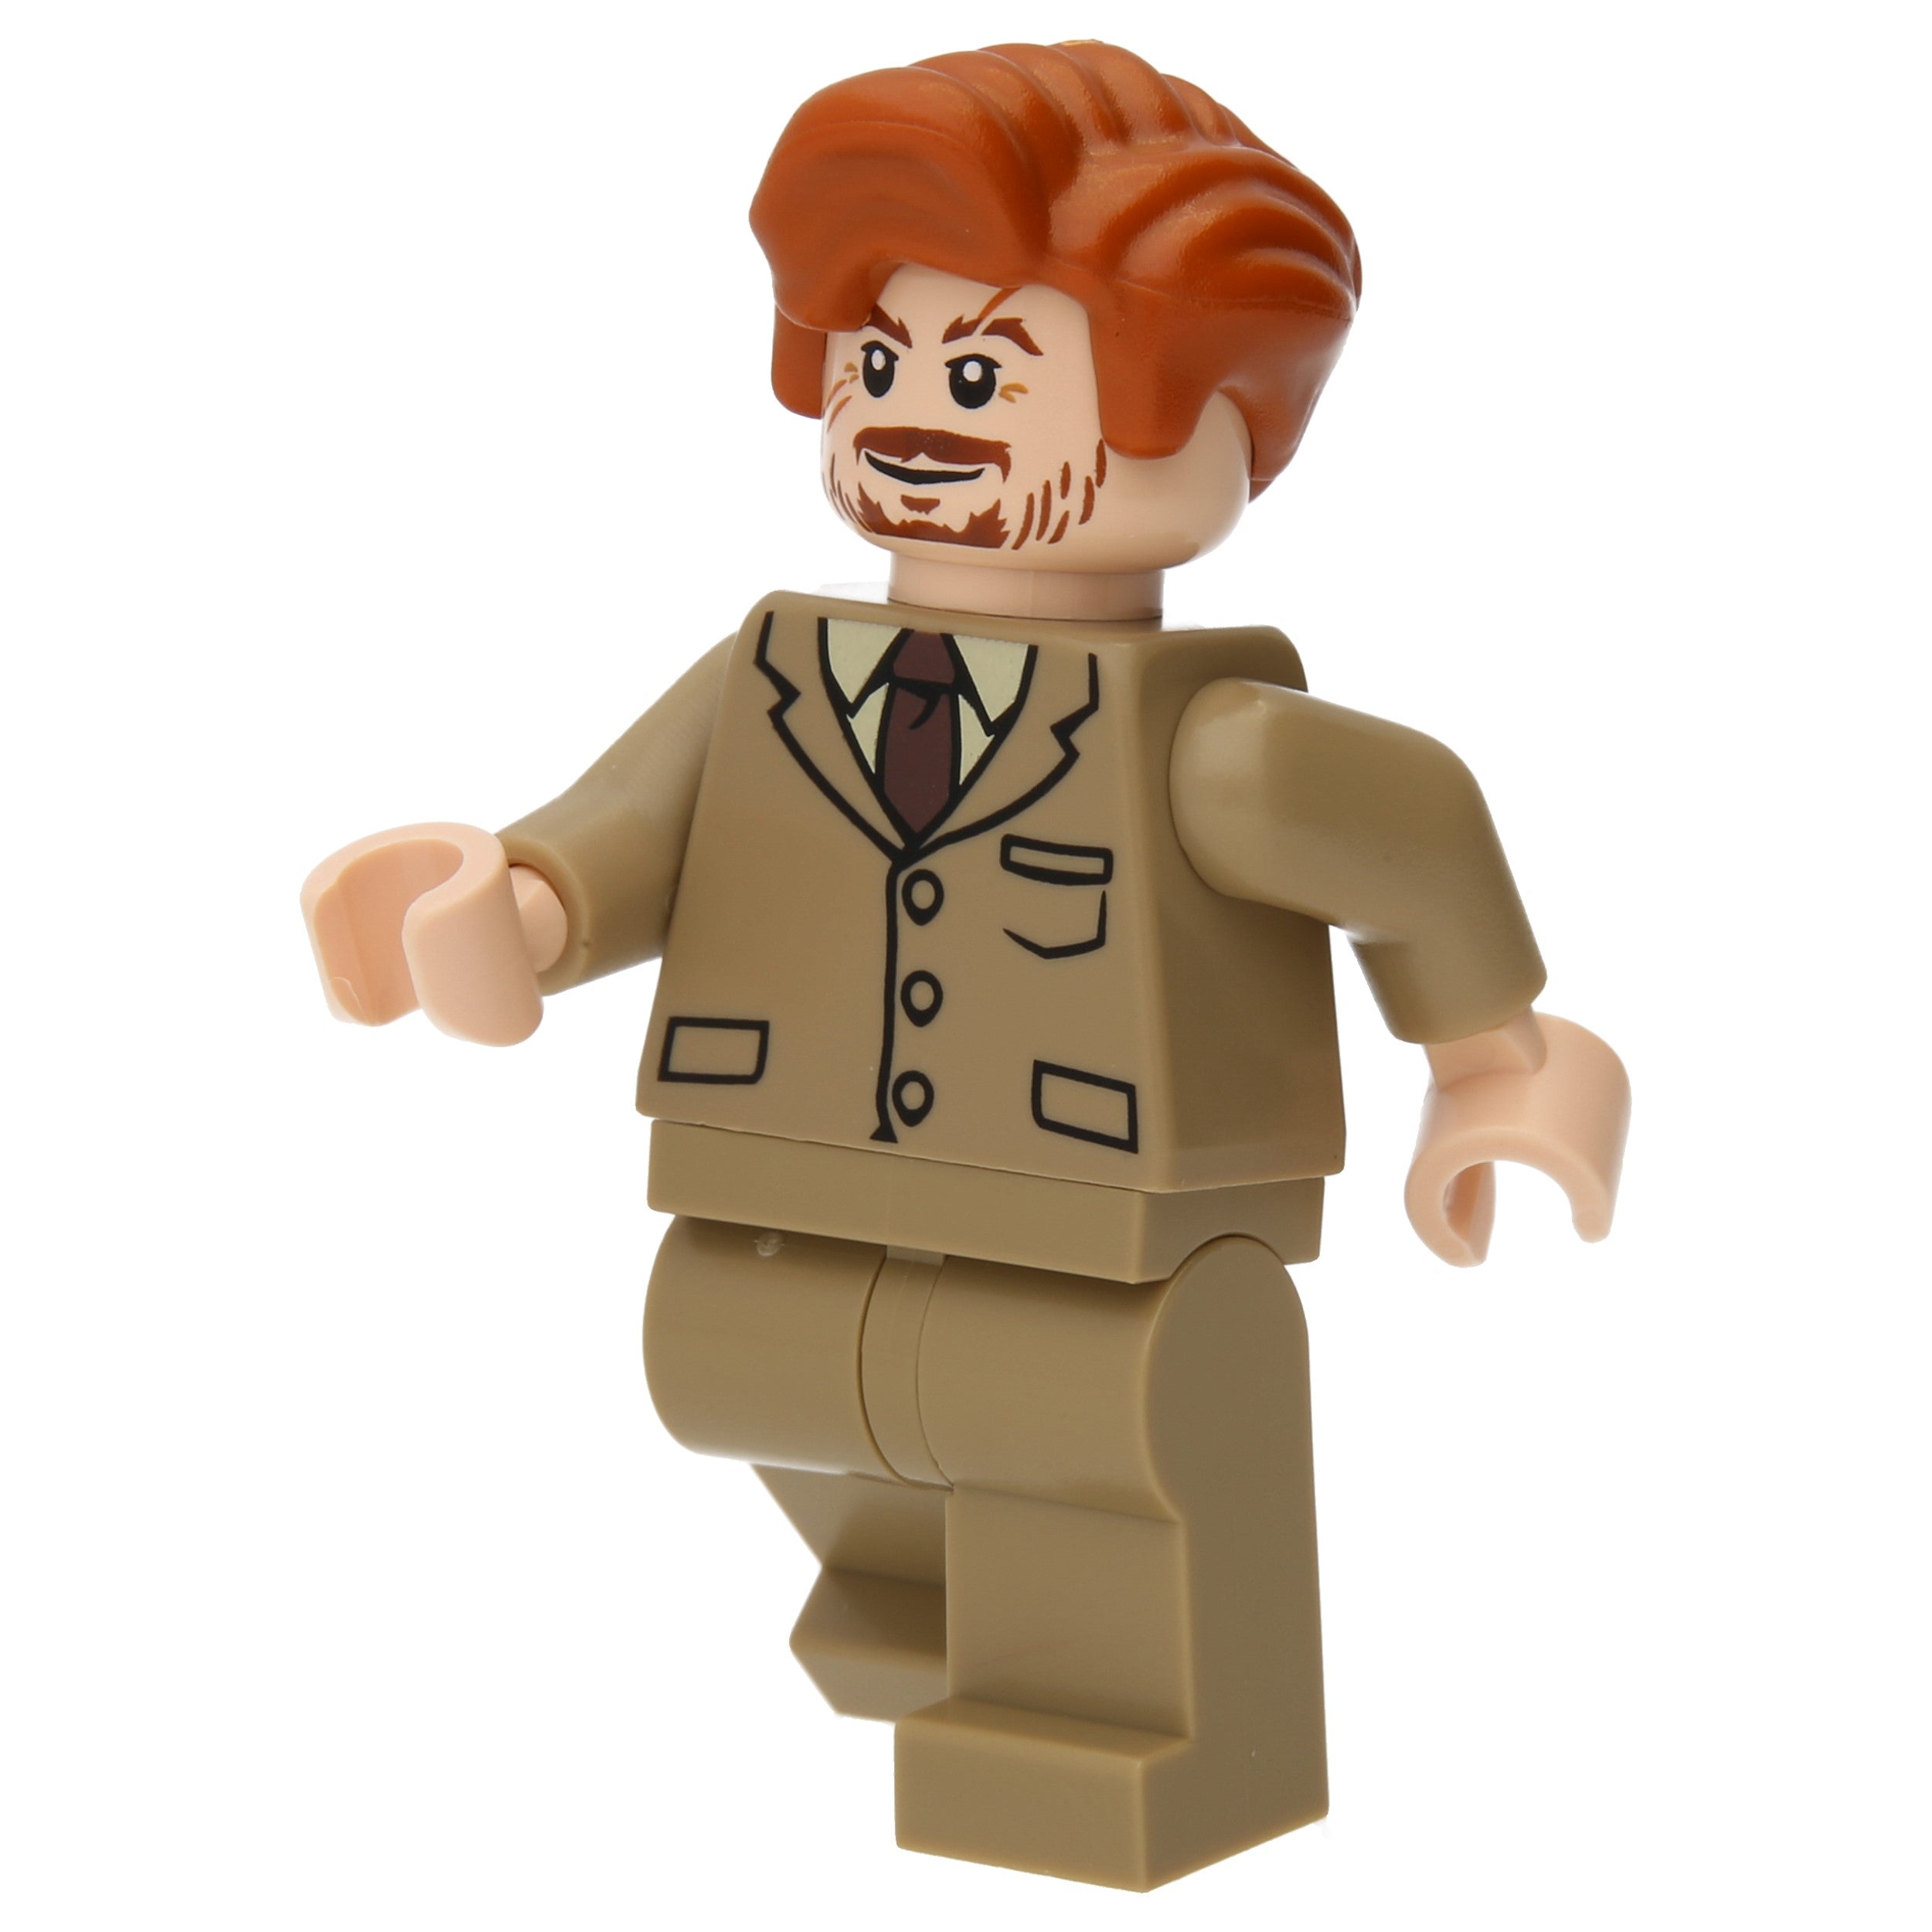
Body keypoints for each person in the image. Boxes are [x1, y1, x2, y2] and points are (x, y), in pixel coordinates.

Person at [301, 41, 1629, 1891]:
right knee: (733, 1364)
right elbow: (616, 836)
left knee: (1100, 1418)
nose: (916, 417)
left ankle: (1117, 1711)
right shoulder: (769, 678)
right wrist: (500, 910)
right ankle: (920, 1599)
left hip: (1106, 1204)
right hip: (778, 1172)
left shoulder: (1214, 743)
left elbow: (1412, 841)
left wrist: (1498, 1062)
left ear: (1215, 412)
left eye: (987, 373)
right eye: (879, 361)